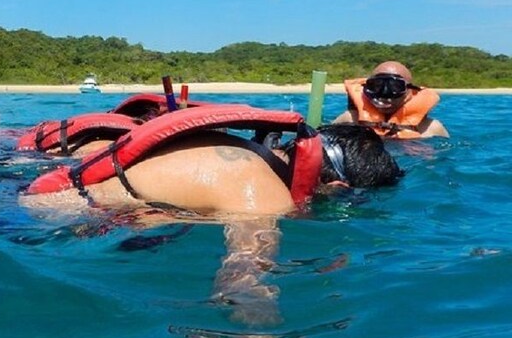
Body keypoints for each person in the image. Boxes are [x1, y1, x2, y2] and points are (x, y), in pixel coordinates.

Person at [22, 104, 403, 217]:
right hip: (44, 214)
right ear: (337, 187)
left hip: (49, 190)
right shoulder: (264, 193)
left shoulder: (242, 150)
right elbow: (244, 279)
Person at [333, 61, 448, 139]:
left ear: (411, 91)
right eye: (377, 86)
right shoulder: (349, 121)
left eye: (395, 87)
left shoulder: (431, 130)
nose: (384, 95)